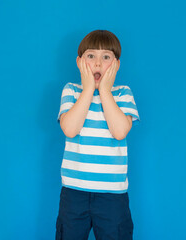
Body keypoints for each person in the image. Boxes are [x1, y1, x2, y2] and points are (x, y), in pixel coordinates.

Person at [55, 29, 140, 240]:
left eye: (106, 57)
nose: (98, 63)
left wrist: (104, 90)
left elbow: (120, 132)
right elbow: (70, 129)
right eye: (91, 56)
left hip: (112, 195)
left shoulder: (122, 94)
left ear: (117, 64)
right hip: (74, 192)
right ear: (79, 62)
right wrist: (87, 90)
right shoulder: (72, 91)